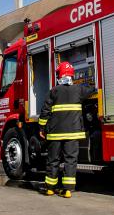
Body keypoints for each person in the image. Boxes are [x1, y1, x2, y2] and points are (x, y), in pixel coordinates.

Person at [39, 61, 94, 198]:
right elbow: (92, 89)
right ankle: (68, 190)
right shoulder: (79, 90)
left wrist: (42, 128)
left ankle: (50, 188)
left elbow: (45, 112)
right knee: (70, 160)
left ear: (60, 75)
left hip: (55, 134)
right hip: (73, 134)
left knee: (53, 160)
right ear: (71, 75)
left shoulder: (53, 91)